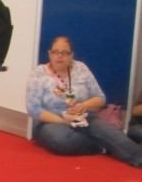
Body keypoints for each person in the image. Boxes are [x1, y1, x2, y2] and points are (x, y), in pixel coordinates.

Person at [26, 36, 142, 167]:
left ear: (72, 55)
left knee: (108, 132)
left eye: (65, 53)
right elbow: (33, 109)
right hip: (51, 121)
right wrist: (64, 121)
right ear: (49, 54)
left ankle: (137, 157)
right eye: (55, 52)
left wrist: (84, 105)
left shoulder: (81, 68)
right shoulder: (38, 73)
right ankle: (104, 147)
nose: (59, 56)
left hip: (83, 116)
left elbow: (100, 98)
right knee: (61, 140)